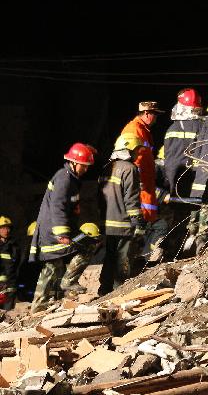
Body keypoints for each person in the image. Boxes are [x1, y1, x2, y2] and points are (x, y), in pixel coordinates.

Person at [29, 143, 95, 312]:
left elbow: (65, 204)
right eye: (84, 166)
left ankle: (40, 304)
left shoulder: (69, 178)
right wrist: (62, 233)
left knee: (54, 265)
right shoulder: (64, 178)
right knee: (86, 246)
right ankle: (67, 283)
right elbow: (57, 206)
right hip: (54, 232)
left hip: (56, 230)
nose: (86, 170)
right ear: (73, 162)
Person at [98, 133, 145, 296]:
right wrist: (137, 222)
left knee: (110, 256)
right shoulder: (130, 169)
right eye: (136, 150)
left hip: (108, 223)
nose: (138, 153)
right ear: (128, 150)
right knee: (123, 259)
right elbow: (131, 199)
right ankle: (120, 292)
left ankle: (104, 289)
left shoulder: (107, 168)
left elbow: (100, 197)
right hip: (123, 223)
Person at [121, 101, 163, 225]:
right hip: (140, 193)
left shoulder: (143, 131)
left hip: (146, 191)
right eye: (155, 114)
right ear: (146, 113)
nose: (156, 118)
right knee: (141, 232)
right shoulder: (134, 129)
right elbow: (129, 160)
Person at [164, 89, 202, 197]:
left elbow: (170, 161)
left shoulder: (172, 128)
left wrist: (170, 186)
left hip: (177, 182)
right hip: (198, 182)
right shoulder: (203, 127)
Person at [0, 216, 19, 310]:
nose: (6, 230)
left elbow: (17, 263)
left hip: (11, 282)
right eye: (3, 228)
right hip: (1, 282)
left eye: (8, 228)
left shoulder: (13, 244)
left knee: (9, 309)